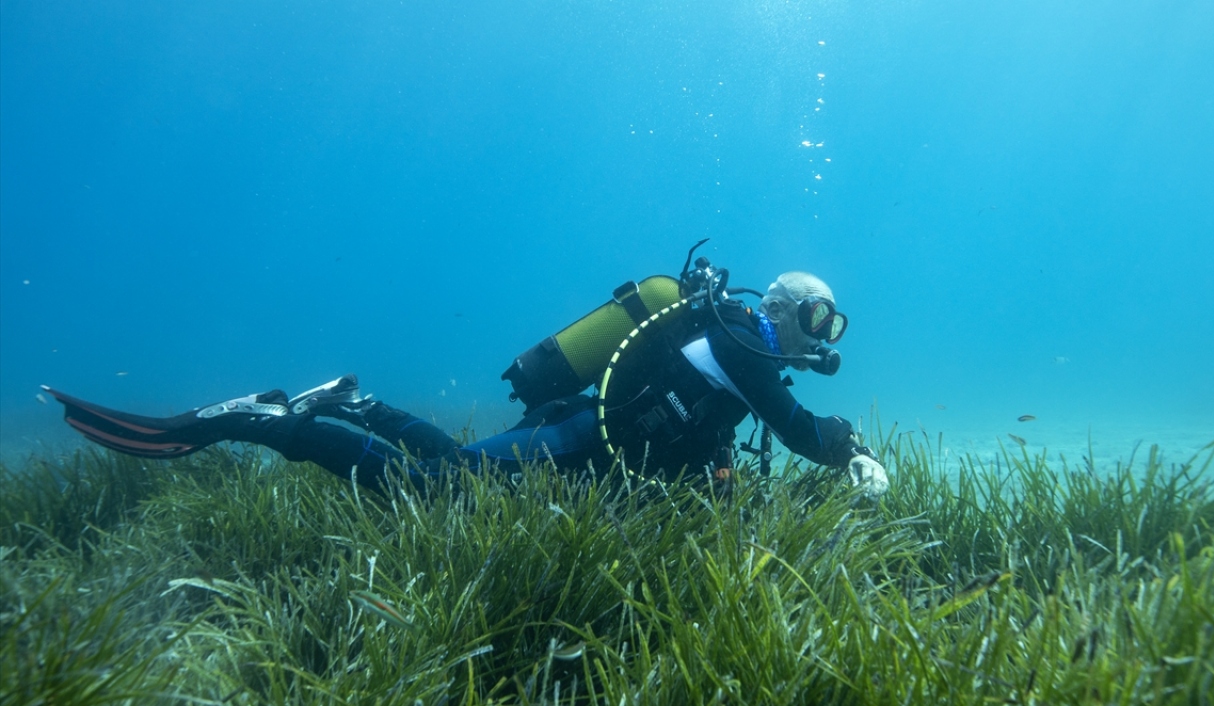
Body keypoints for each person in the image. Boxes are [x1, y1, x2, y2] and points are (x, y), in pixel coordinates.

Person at [45, 269, 889, 499]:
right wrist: (848, 451)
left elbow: (718, 430)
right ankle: (266, 422)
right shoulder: (743, 339)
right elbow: (797, 431)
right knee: (437, 489)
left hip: (587, 436)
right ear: (782, 310)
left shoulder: (734, 342)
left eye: (829, 328)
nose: (820, 340)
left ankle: (350, 399)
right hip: (582, 436)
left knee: (448, 467)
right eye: (818, 322)